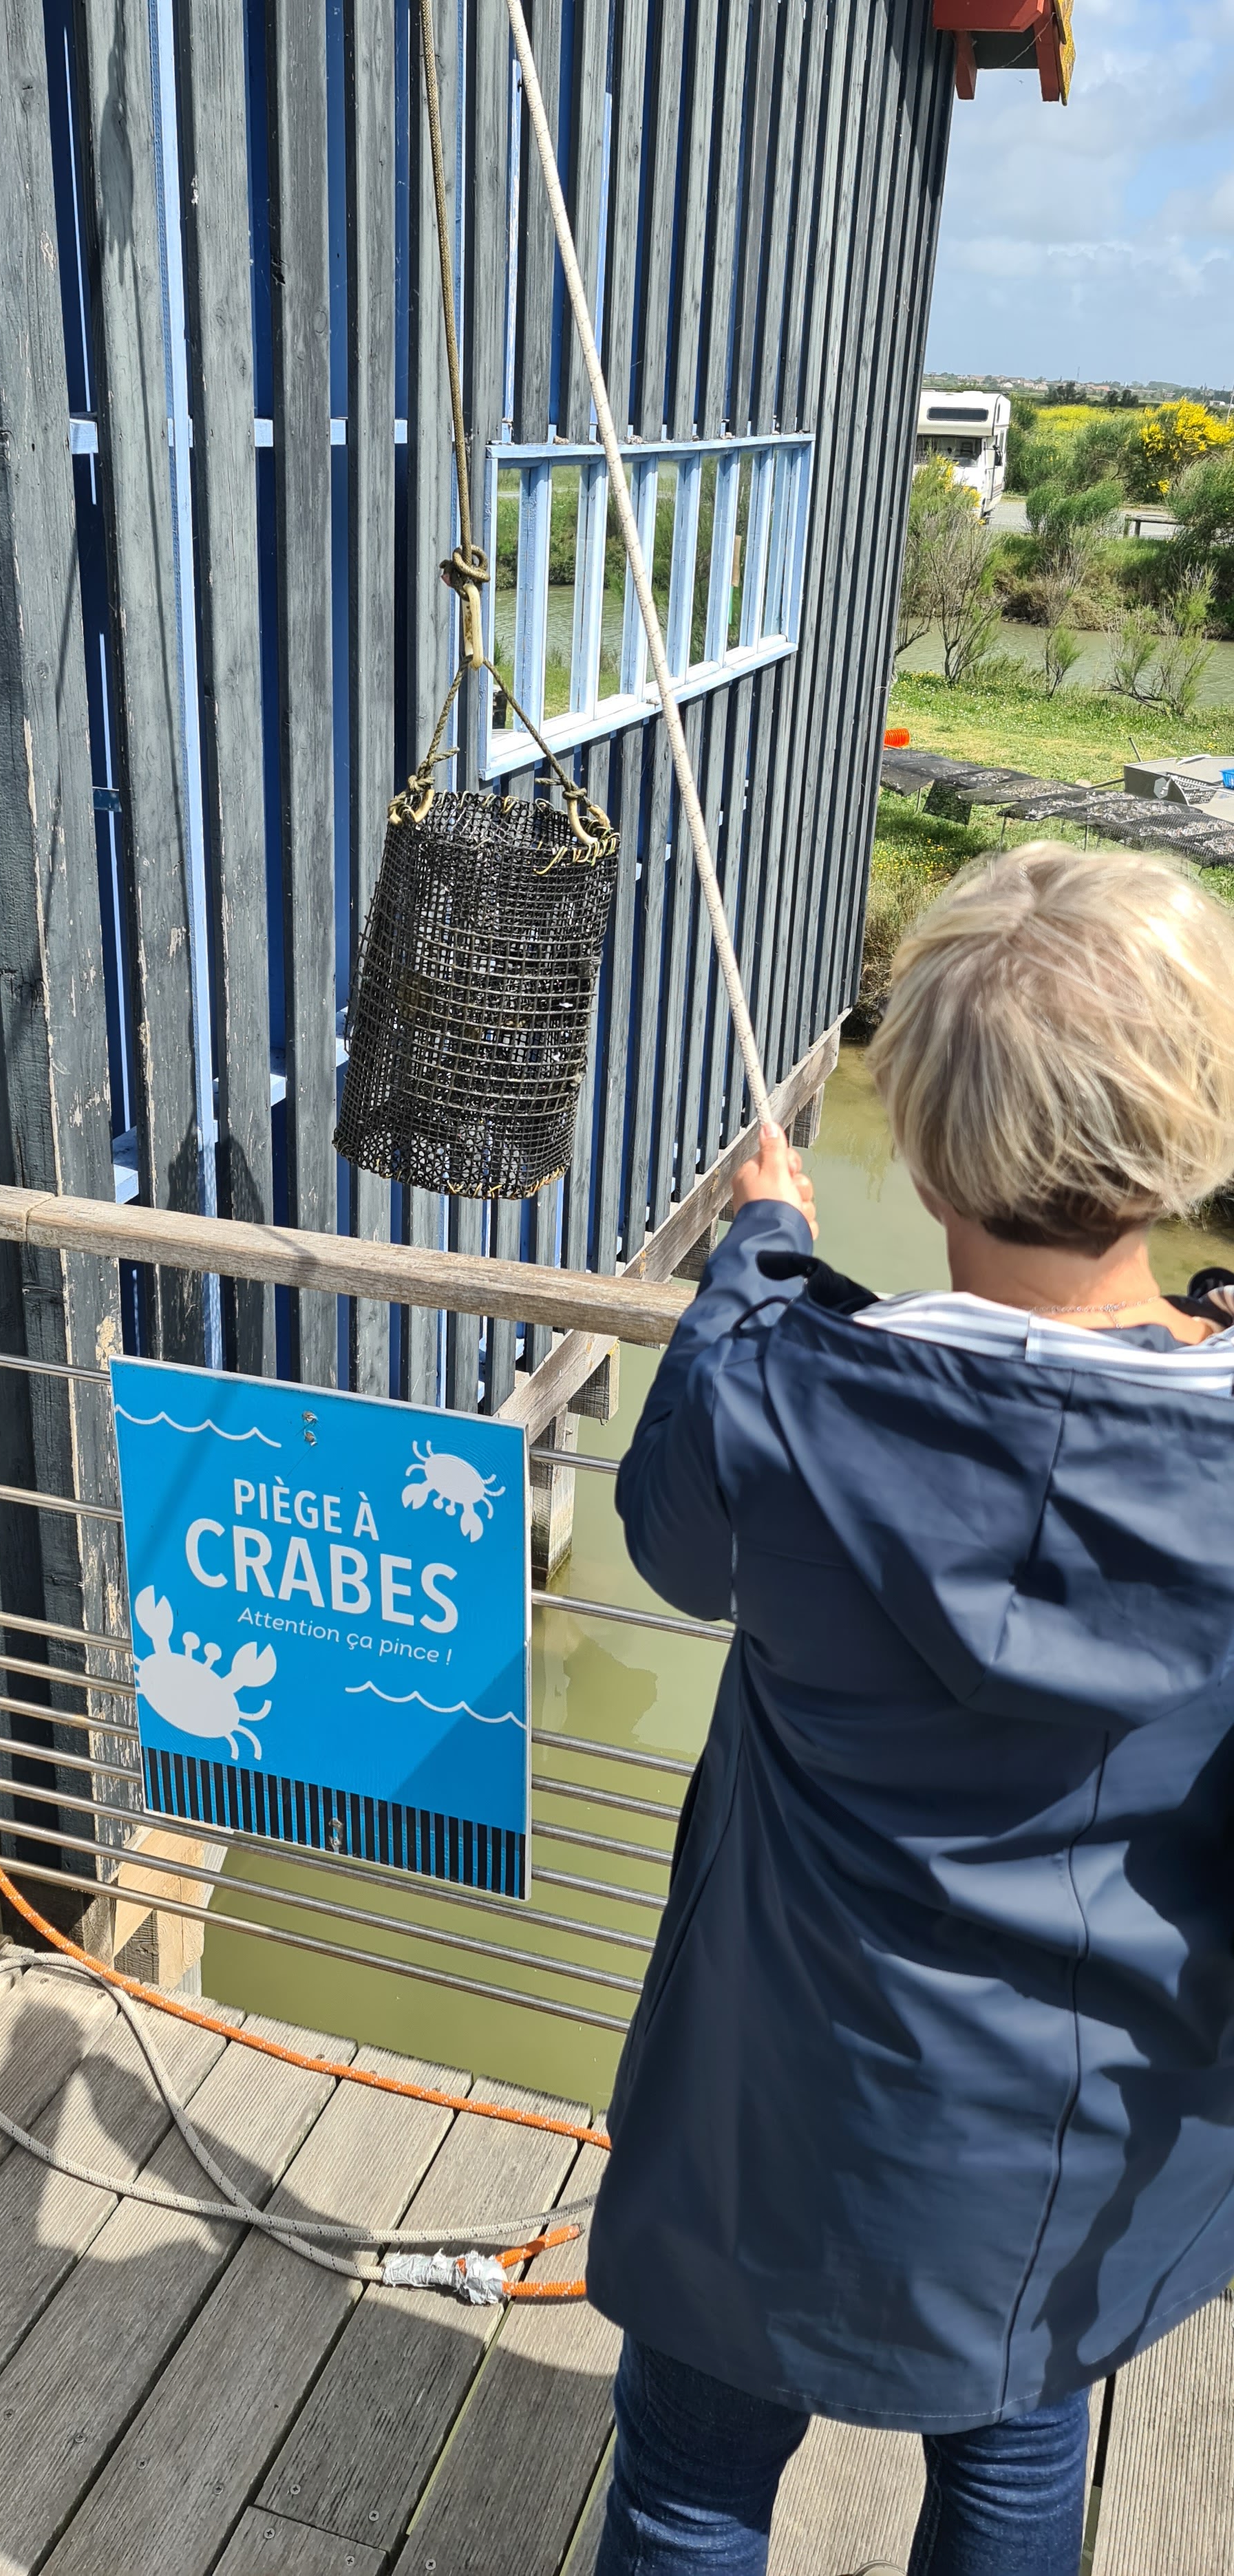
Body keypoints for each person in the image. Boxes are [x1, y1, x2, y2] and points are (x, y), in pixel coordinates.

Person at [587, 842, 1234, 2576]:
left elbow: (673, 1545)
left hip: (773, 2095)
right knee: (1016, 2455)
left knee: (688, 2481)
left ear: (930, 1134)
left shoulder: (779, 1402)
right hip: (1072, 2130)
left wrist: (763, 1246)